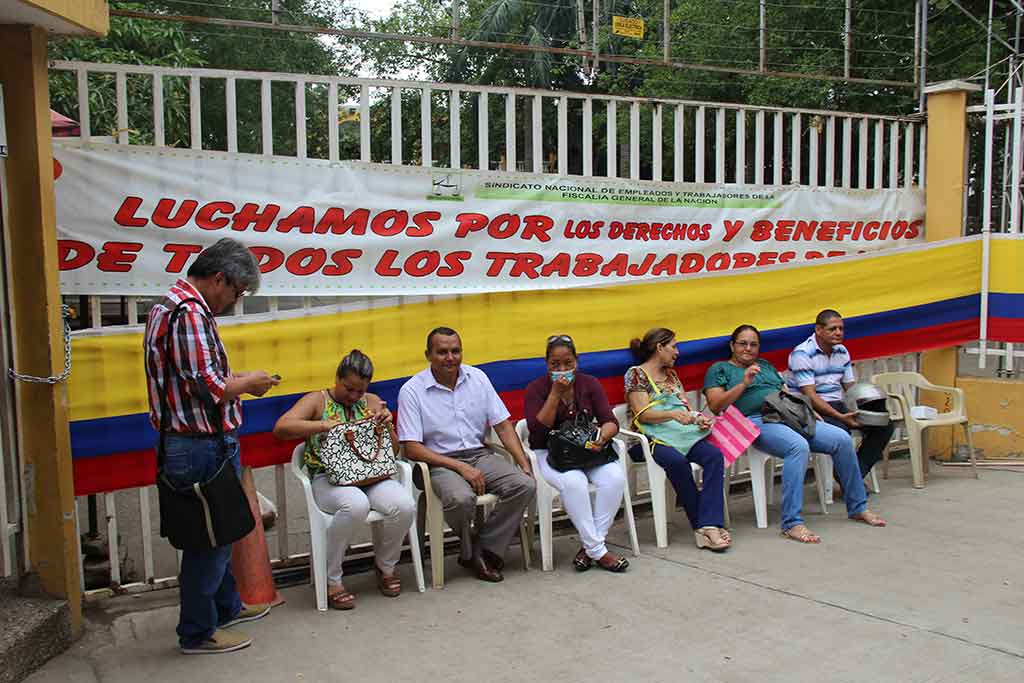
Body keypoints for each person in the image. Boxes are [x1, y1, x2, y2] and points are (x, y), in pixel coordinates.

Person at [143, 238, 280, 654]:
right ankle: (198, 631)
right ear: (219, 278)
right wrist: (249, 385)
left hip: (202, 440)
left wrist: (239, 380)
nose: (235, 302)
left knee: (218, 531)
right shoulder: (188, 314)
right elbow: (210, 387)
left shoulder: (177, 306)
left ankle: (225, 608)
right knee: (208, 541)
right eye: (237, 293)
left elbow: (198, 377)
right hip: (198, 444)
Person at [703, 324, 887, 544]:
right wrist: (744, 383)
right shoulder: (719, 369)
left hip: (788, 415)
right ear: (732, 345)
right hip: (754, 421)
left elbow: (786, 393)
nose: (748, 349)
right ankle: (792, 523)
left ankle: (858, 507)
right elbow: (715, 406)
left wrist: (807, 410)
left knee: (841, 438)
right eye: (743, 343)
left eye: (754, 344)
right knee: (797, 446)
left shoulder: (764, 365)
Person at [273, 349, 415, 610]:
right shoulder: (317, 401)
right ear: (336, 378)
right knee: (355, 505)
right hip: (328, 478)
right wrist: (321, 425)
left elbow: (392, 451)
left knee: (405, 506)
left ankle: (385, 566)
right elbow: (281, 428)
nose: (353, 397)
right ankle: (332, 579)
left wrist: (387, 425)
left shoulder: (371, 401)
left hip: (370, 474)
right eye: (348, 389)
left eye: (359, 391)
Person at [397, 327, 536, 583]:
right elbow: (412, 448)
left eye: (455, 351)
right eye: (442, 352)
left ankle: (482, 549)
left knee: (524, 484)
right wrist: (459, 467)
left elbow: (503, 425)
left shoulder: (478, 378)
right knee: (461, 498)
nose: (450, 357)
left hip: (478, 454)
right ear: (428, 355)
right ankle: (477, 553)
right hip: (436, 462)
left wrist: (523, 462)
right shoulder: (412, 390)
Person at [524, 335, 629, 572]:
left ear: (577, 362)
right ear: (546, 363)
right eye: (555, 364)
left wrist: (603, 437)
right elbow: (538, 430)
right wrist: (555, 394)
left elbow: (609, 420)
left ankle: (591, 547)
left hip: (586, 450)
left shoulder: (589, 383)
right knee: (575, 482)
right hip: (550, 453)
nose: (562, 370)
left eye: (568, 363)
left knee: (614, 478)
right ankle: (600, 552)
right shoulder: (536, 389)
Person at [625, 328, 731, 551]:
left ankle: (708, 523)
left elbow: (685, 409)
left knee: (713, 456)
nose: (677, 352)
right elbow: (642, 414)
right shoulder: (636, 375)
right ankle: (703, 526)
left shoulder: (672, 376)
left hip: (678, 435)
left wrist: (697, 419)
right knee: (677, 462)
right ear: (659, 347)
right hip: (646, 439)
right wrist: (672, 415)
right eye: (673, 346)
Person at [787, 309, 896, 480]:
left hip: (839, 405)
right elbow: (811, 397)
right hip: (812, 409)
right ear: (818, 330)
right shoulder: (802, 354)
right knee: (841, 432)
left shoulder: (842, 351)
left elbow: (850, 388)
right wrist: (841, 417)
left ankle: (852, 476)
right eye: (832, 329)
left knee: (884, 425)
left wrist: (865, 408)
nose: (838, 333)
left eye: (841, 328)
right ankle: (852, 483)